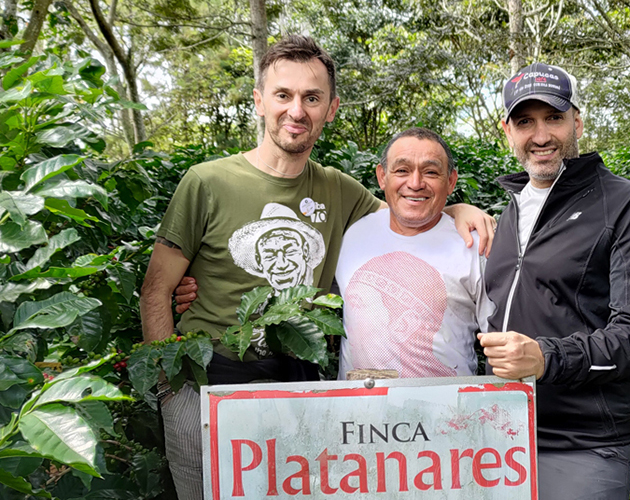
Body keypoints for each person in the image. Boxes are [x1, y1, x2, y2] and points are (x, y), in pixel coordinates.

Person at [140, 36, 493, 500]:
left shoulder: (338, 189)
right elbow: (156, 290)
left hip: (295, 379)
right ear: (260, 101)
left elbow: (407, 207)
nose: (296, 110)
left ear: (331, 108)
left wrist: (461, 208)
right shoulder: (208, 181)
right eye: (283, 95)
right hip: (207, 378)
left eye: (312, 97)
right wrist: (169, 388)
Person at [478, 62, 630, 499]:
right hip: (503, 434)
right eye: (525, 121)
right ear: (507, 131)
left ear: (577, 122)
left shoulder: (626, 206)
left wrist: (546, 358)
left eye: (554, 118)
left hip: (585, 443)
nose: (541, 135)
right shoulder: (511, 210)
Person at [336, 128, 493, 379]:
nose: (416, 183)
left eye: (431, 172)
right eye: (402, 170)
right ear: (382, 176)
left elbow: (502, 344)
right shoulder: (352, 236)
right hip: (358, 415)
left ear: (451, 181)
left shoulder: (476, 245)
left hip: (449, 411)